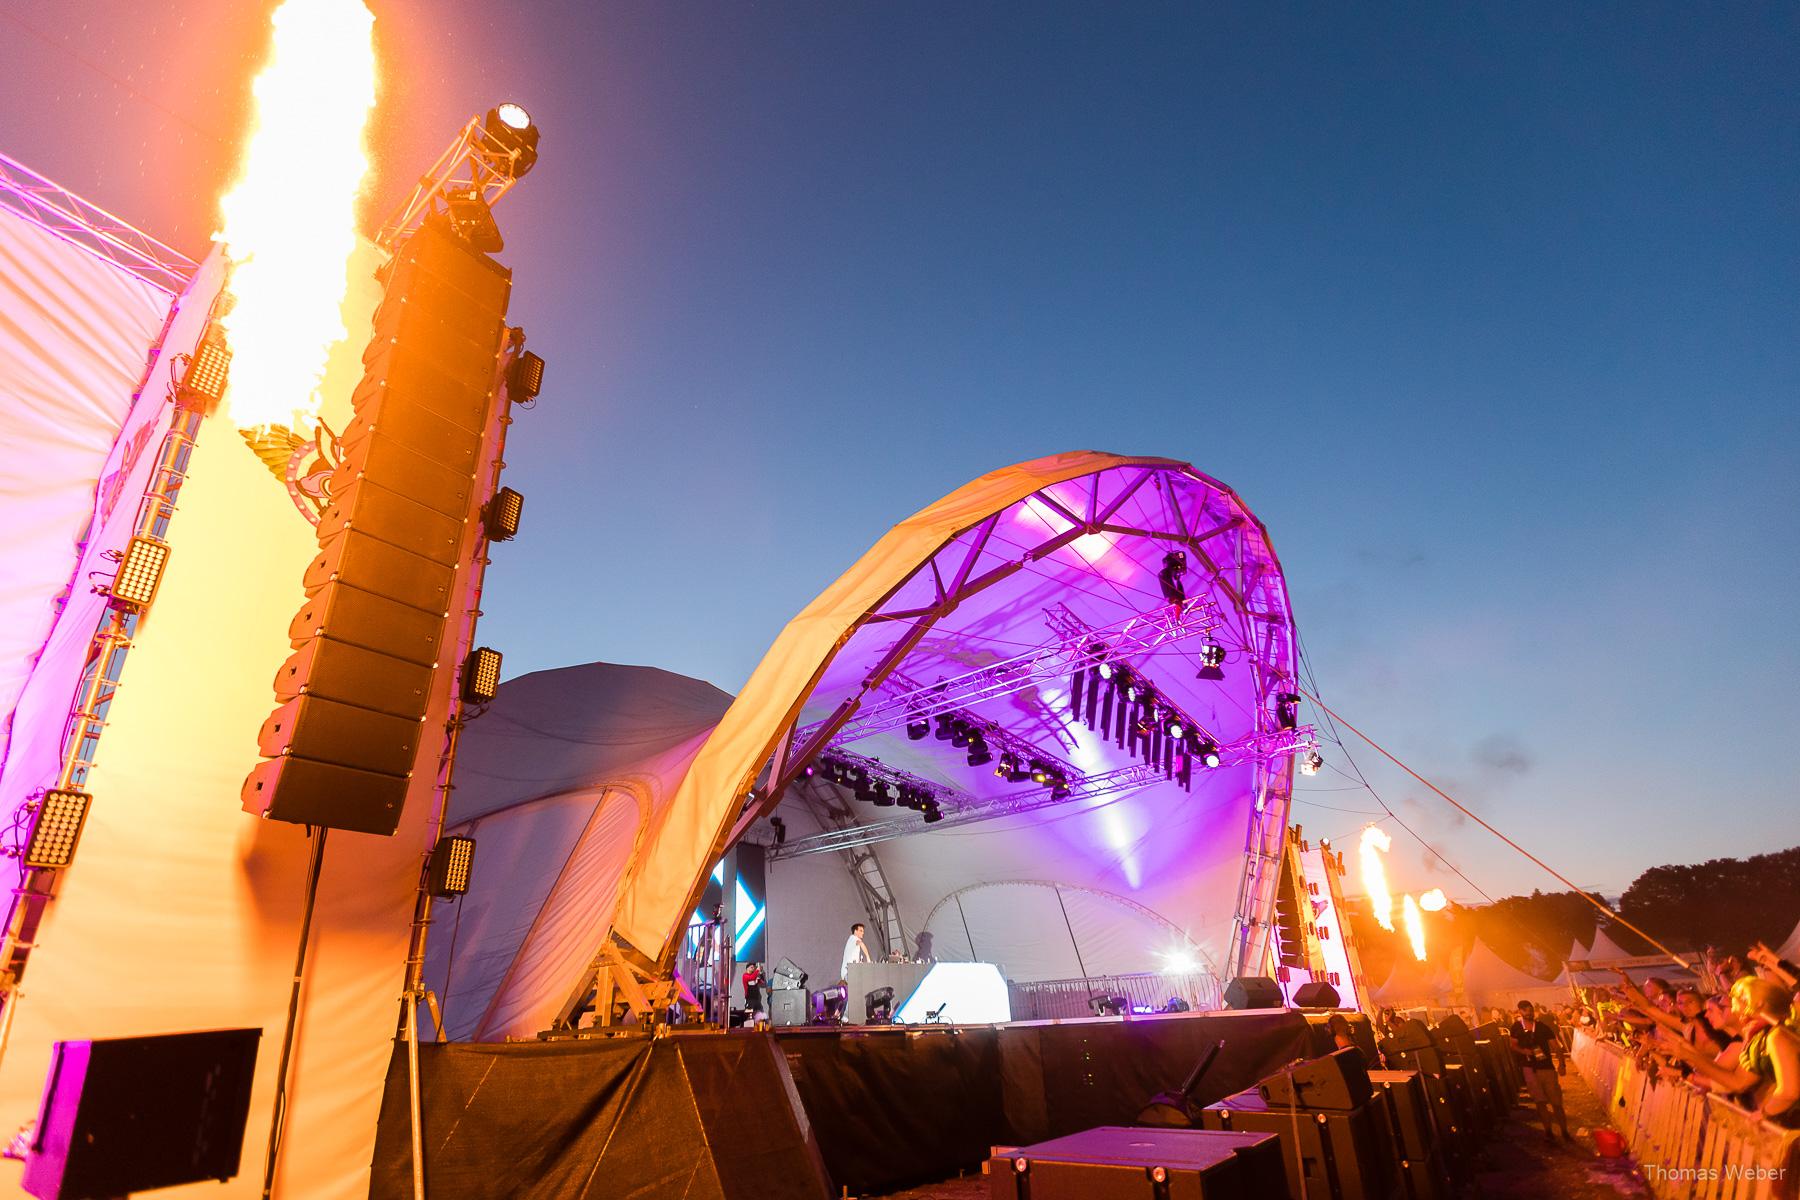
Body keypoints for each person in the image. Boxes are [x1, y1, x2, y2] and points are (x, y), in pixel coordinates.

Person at [1512, 1000, 1572, 1141]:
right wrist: (1524, 1051)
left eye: (1531, 1010)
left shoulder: (1542, 1027)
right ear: (1520, 1011)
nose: (1529, 1013)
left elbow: (1556, 1047)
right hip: (1529, 1069)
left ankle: (1564, 1132)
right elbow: (1512, 1045)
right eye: (1526, 1010)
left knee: (1556, 1102)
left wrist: (1562, 1064)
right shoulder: (1516, 1027)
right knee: (1540, 1102)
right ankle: (1548, 1132)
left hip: (1546, 1068)